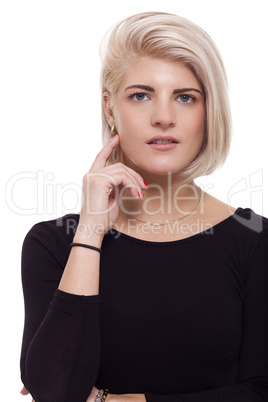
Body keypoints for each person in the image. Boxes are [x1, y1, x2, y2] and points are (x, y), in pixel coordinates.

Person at [20, 11, 268, 402]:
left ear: (209, 112)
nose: (164, 118)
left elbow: (261, 391)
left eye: (185, 98)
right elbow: (54, 392)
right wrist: (90, 231)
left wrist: (118, 401)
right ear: (109, 109)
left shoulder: (255, 241)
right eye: (140, 95)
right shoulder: (52, 243)